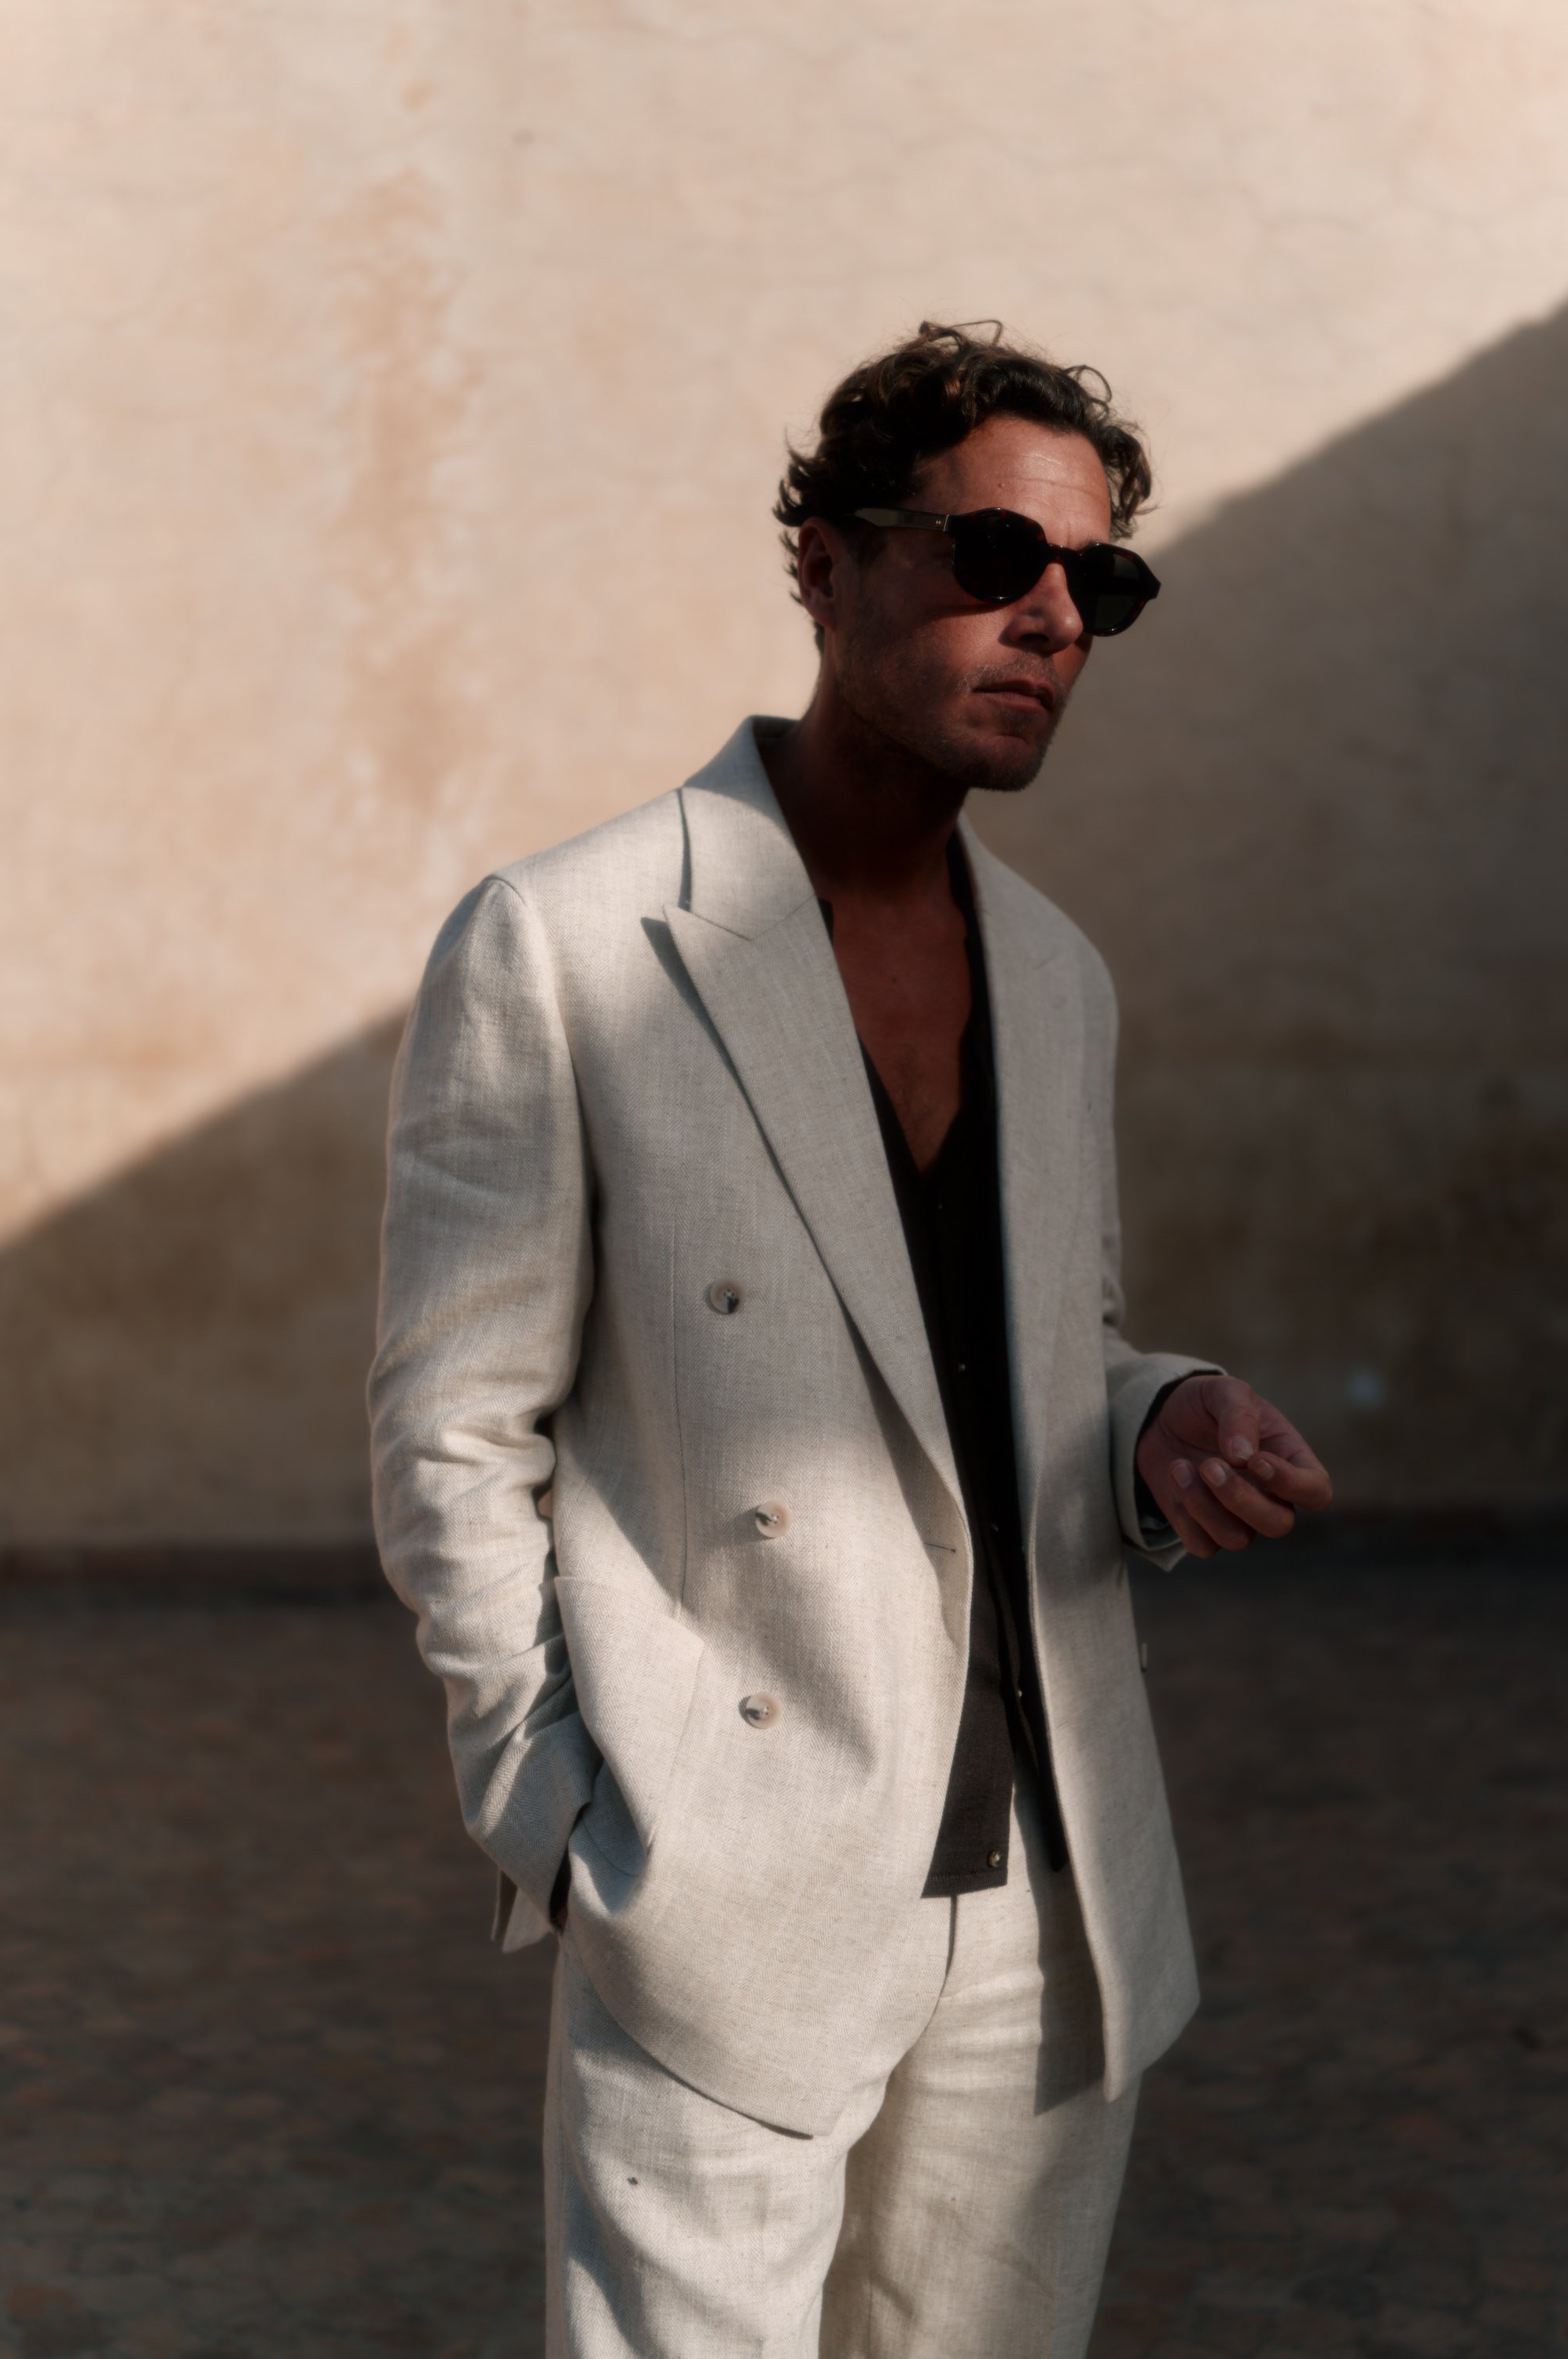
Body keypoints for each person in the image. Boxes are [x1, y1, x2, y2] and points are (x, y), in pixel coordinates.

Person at [368, 321, 1333, 2358]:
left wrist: (1157, 1416)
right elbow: (453, 1424)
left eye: (1100, 583)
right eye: (995, 556)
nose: (1051, 618)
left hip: (1053, 1888)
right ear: (826, 564)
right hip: (733, 1872)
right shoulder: (571, 941)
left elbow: (1031, 1353)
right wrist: (563, 1815)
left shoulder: (1057, 977)